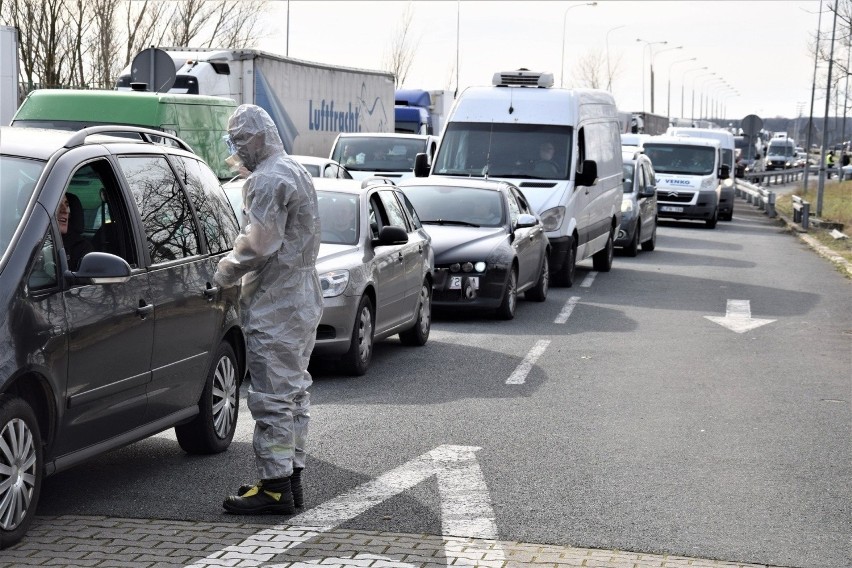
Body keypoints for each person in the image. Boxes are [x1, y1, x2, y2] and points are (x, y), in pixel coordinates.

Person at [214, 104, 323, 515]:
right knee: (293, 393)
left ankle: (275, 487)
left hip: (277, 300)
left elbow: (257, 246)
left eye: (240, 139)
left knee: (272, 396)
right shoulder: (294, 170)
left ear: (256, 138)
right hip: (301, 296)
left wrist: (221, 273)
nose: (237, 147)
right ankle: (290, 478)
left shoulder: (267, 180)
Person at [58, 192, 93, 271]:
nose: (65, 211)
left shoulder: (82, 248)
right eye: (58, 205)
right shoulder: (28, 239)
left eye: (67, 205)